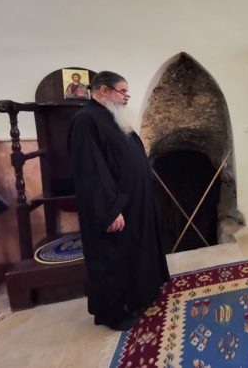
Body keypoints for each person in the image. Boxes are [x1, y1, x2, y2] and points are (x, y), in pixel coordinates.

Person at [68, 71, 169, 331]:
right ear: (103, 90)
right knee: (112, 259)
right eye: (122, 91)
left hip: (132, 202)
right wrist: (110, 210)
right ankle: (114, 314)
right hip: (115, 206)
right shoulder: (86, 120)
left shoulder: (112, 117)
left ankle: (138, 297)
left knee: (133, 252)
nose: (126, 97)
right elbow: (91, 171)